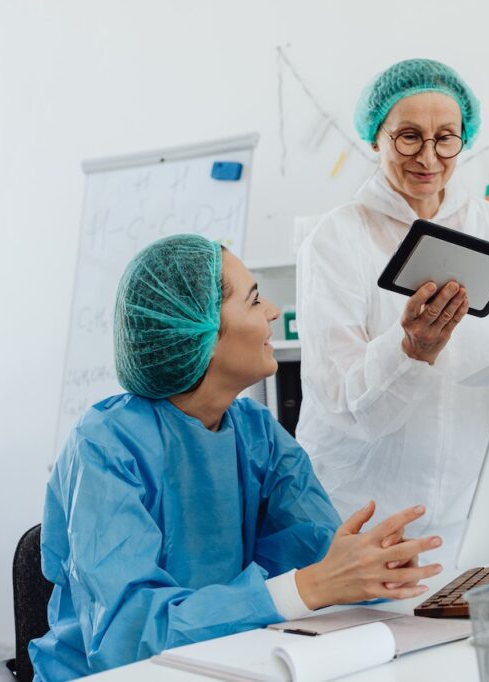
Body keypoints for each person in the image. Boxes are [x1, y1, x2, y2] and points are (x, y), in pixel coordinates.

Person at [30, 235, 443, 681]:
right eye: (254, 300)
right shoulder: (104, 446)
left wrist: (371, 566)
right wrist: (313, 585)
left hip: (230, 659)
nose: (271, 311)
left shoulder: (255, 430)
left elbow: (315, 550)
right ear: (199, 334)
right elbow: (128, 637)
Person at [296, 59, 489, 565]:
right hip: (354, 512)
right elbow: (337, 399)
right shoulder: (337, 237)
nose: (429, 157)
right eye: (408, 137)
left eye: (446, 138)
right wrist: (410, 351)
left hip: (458, 513)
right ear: (375, 138)